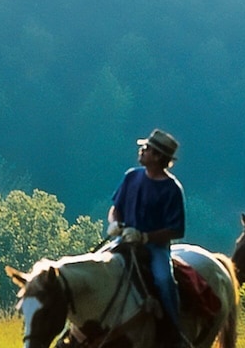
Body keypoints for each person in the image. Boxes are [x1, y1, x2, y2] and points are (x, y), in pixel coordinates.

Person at [106, 129, 188, 348]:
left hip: (155, 249)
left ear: (158, 156)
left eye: (147, 149)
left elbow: (176, 230)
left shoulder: (172, 189)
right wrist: (114, 223)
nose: (141, 151)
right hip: (123, 241)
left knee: (163, 280)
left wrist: (144, 237)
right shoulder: (131, 176)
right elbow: (116, 208)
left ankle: (175, 333)